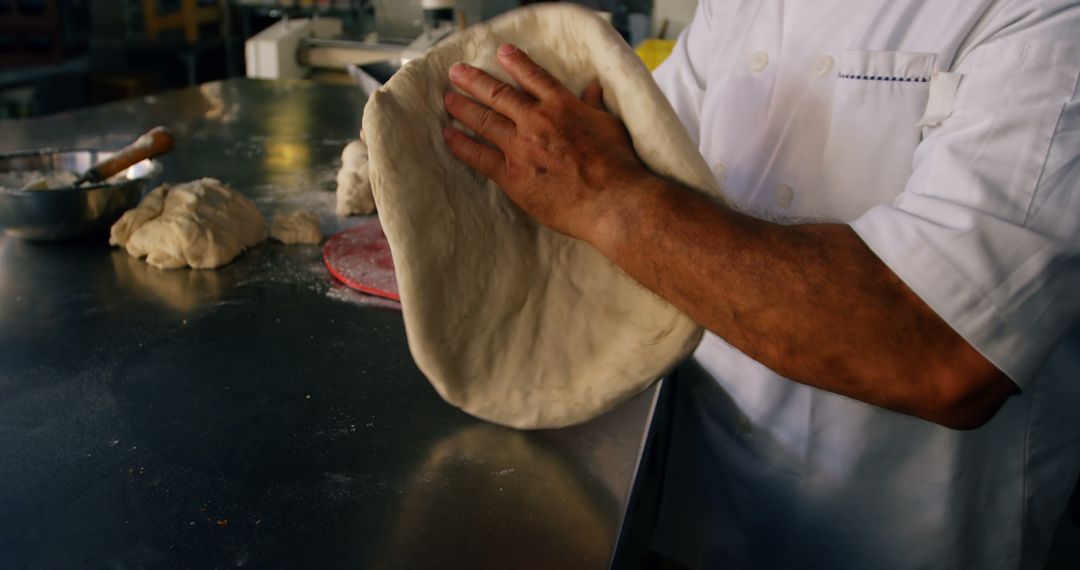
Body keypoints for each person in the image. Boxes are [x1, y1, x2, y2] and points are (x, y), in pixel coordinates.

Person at [439, 0, 1079, 568]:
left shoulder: (1047, 15)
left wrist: (610, 200)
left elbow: (941, 352)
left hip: (902, 529)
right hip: (696, 495)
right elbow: (631, 157)